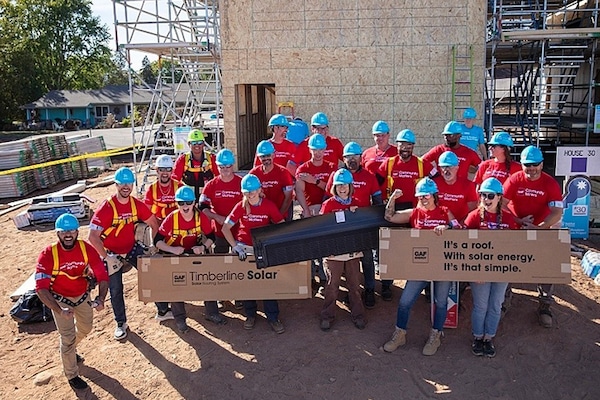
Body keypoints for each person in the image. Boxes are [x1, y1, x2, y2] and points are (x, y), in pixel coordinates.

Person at [383, 178, 458, 356]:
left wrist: (447, 227)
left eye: (426, 196)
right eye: (420, 196)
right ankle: (400, 334)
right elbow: (389, 217)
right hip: (420, 265)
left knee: (441, 303)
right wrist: (393, 198)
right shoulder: (415, 213)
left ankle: (435, 335)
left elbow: (458, 228)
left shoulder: (445, 211)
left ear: (434, 195)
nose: (423, 199)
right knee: (404, 302)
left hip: (441, 265)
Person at [35, 213, 109, 391]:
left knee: (86, 328)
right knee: (67, 337)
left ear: (77, 232)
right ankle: (71, 374)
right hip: (60, 300)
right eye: (63, 231)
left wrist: (100, 298)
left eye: (72, 231)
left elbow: (102, 274)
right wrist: (59, 310)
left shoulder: (86, 249)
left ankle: (68, 350)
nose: (68, 235)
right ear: (57, 233)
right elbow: (41, 288)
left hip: (82, 296)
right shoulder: (48, 254)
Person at [88, 167, 160, 340]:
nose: (126, 187)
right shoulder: (107, 207)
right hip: (111, 252)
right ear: (116, 185)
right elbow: (92, 236)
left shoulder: (136, 204)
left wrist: (154, 246)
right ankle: (121, 323)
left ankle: (163, 309)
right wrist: (106, 257)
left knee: (153, 274)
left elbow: (154, 224)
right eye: (122, 184)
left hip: (130, 247)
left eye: (129, 183)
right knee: (115, 288)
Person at [502, 145, 563, 328]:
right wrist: (518, 220)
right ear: (521, 165)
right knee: (505, 260)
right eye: (527, 165)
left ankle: (545, 305)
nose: (531, 168)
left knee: (547, 264)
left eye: (535, 164)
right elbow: (501, 205)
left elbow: (557, 212)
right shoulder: (514, 180)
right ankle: (505, 299)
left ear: (542, 164)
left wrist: (540, 228)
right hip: (516, 225)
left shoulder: (550, 183)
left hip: (541, 227)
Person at [222, 174, 286, 333]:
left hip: (261, 247)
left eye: (253, 191)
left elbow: (281, 225)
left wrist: (273, 244)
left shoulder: (269, 206)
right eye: (246, 192)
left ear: (259, 190)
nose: (250, 195)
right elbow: (225, 228)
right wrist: (235, 246)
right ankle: (250, 314)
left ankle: (273, 317)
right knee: (247, 283)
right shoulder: (240, 207)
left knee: (266, 282)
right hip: (244, 247)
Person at [464, 178, 519, 357]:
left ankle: (489, 338)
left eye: (490, 196)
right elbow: (463, 245)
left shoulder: (509, 218)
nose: (486, 199)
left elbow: (515, 245)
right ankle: (478, 337)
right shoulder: (474, 217)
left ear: (499, 197)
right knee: (480, 305)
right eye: (482, 195)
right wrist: (474, 271)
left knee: (496, 304)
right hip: (479, 270)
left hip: (501, 269)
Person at [326, 142, 383, 308]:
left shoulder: (369, 177)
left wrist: (372, 222)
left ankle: (370, 290)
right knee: (344, 262)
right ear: (343, 158)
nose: (352, 159)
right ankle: (350, 292)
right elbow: (327, 200)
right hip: (341, 229)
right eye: (348, 156)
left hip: (362, 227)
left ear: (361, 157)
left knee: (366, 259)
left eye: (355, 156)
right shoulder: (336, 176)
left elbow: (377, 201)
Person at [154, 186, 219, 331]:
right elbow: (157, 241)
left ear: (194, 203)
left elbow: (211, 237)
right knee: (177, 284)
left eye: (188, 202)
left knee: (207, 279)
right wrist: (171, 249)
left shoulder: (200, 216)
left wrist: (203, 247)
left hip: (194, 251)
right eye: (181, 203)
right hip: (175, 253)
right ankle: (180, 318)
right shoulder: (172, 217)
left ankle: (212, 312)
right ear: (177, 204)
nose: (185, 206)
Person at [319, 169, 366, 331]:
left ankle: (358, 315)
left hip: (352, 251)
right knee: (332, 286)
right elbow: (321, 228)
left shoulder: (358, 203)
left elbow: (363, 227)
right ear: (334, 187)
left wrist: (356, 215)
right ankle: (327, 316)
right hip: (334, 253)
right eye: (339, 186)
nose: (342, 188)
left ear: (350, 186)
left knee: (354, 285)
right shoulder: (328, 204)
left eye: (345, 185)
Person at [376, 129, 434, 208]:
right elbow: (375, 184)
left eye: (408, 145)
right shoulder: (389, 163)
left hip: (415, 210)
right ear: (397, 146)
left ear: (413, 146)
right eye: (402, 144)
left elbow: (437, 179)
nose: (405, 148)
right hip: (393, 209)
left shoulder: (422, 163)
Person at [250, 140, 294, 220]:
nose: (266, 158)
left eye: (268, 155)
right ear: (259, 157)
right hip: (262, 217)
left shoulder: (283, 172)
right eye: (263, 156)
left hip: (281, 214)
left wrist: (278, 217)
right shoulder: (254, 174)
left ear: (273, 155)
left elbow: (288, 197)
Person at [171, 129, 219, 200]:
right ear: (189, 144)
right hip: (187, 198)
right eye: (194, 143)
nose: (197, 145)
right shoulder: (183, 159)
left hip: (207, 196)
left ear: (203, 143)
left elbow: (219, 177)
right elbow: (174, 179)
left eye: (199, 142)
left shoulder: (211, 158)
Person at [433, 151, 478, 223]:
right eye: (443, 167)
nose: (446, 170)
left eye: (450, 166)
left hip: (462, 225)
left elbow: (472, 210)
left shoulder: (468, 185)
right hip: (439, 225)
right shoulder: (433, 184)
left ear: (457, 168)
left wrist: (459, 226)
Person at [144, 154, 180, 221]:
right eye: (162, 169)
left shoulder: (179, 187)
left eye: (168, 169)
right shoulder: (152, 188)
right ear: (157, 170)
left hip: (176, 221)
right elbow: (146, 210)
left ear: (172, 171)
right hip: (158, 222)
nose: (165, 173)